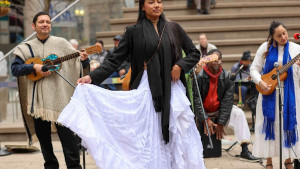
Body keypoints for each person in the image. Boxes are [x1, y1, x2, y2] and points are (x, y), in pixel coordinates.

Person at [57, 0, 206, 168]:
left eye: (159, 1)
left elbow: (194, 53)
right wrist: (91, 77)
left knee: (178, 133)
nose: (156, 5)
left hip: (173, 89)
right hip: (148, 89)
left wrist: (180, 66)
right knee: (151, 135)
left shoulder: (174, 28)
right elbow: (114, 60)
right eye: (151, 2)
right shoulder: (134, 31)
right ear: (142, 6)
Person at [11, 12, 90, 169]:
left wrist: (84, 59)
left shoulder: (61, 43)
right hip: (39, 105)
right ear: (34, 26)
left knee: (70, 143)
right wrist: (34, 67)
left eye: (48, 21)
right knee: (45, 144)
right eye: (41, 22)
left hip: (61, 101)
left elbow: (77, 63)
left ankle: (74, 167)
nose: (45, 24)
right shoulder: (26, 47)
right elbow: (15, 69)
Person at [193, 49, 260, 162]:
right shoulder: (199, 75)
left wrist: (220, 123)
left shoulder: (227, 76)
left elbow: (227, 101)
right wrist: (205, 119)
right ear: (207, 61)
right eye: (213, 59)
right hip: (203, 110)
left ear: (221, 61)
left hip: (219, 109)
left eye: (218, 59)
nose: (216, 62)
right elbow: (196, 99)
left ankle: (244, 150)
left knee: (239, 114)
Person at [250, 21, 300, 169]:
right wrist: (260, 82)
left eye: (284, 33)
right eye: (279, 36)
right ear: (273, 36)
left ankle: (288, 160)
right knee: (270, 126)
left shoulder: (296, 48)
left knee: (287, 125)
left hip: (291, 94)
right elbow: (254, 69)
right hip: (269, 92)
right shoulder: (264, 48)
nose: (283, 37)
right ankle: (269, 161)